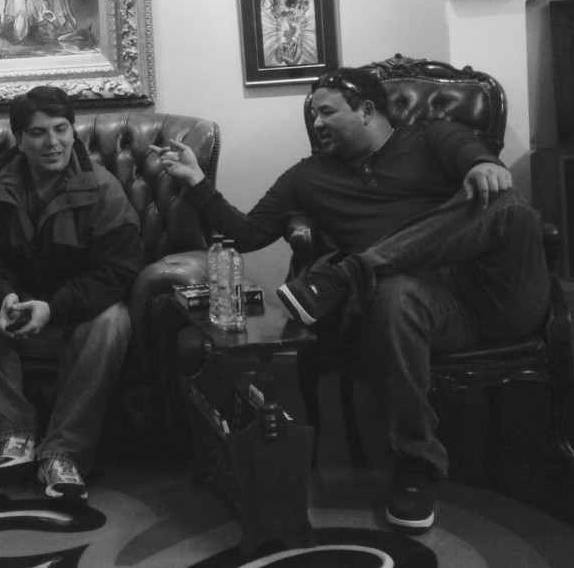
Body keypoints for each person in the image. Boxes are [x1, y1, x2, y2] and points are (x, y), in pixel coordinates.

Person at [156, 68, 550, 534]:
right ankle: (416, 464)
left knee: (507, 203)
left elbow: (472, 156)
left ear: (366, 110)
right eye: (313, 115)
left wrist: (484, 164)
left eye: (326, 111)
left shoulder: (432, 136)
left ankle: (351, 272)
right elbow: (247, 233)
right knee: (392, 293)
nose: (316, 123)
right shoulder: (309, 175)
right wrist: (196, 181)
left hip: (496, 293)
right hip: (422, 309)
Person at [0, 85, 144, 503]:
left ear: (74, 132)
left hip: (79, 306)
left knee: (113, 319)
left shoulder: (102, 188)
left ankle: (62, 454)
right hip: (19, 301)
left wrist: (54, 308)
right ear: (20, 140)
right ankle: (11, 435)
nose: (52, 142)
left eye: (61, 129)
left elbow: (118, 271)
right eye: (38, 133)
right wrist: (2, 296)